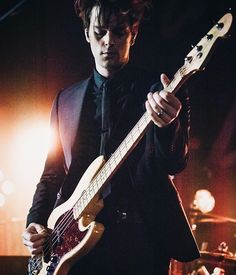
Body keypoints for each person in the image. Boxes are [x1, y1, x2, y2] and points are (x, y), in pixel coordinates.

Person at [22, 0, 200, 274]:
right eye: (100, 32)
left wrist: (168, 126)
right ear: (86, 34)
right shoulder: (65, 101)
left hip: (139, 244)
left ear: (135, 32)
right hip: (73, 246)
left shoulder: (161, 91)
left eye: (119, 32)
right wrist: (34, 222)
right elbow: (52, 174)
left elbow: (175, 164)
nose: (108, 41)